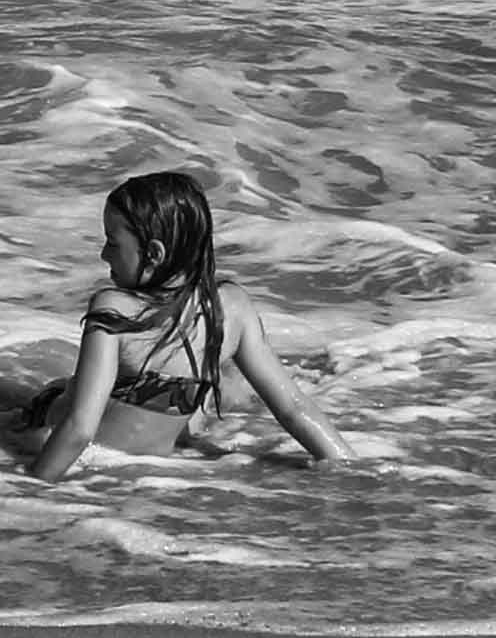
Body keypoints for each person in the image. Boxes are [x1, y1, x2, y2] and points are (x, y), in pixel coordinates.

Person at [20, 170, 349, 482]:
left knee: (67, 391)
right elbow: (294, 407)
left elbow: (79, 428)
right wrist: (348, 465)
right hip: (149, 468)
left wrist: (30, 488)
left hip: (67, 439)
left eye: (112, 242)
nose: (104, 254)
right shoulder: (231, 309)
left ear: (154, 253)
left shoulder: (115, 310)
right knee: (202, 401)